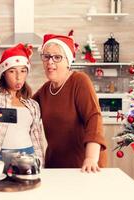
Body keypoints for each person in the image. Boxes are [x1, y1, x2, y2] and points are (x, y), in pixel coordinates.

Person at [33, 34, 107, 172]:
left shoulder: (79, 81)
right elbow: (26, 110)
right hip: (55, 165)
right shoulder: (45, 89)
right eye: (46, 56)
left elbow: (94, 118)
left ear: (68, 61)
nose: (50, 62)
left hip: (83, 165)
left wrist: (90, 157)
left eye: (57, 57)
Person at [0, 43, 45, 165]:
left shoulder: (33, 105)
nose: (18, 77)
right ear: (3, 73)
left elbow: (37, 139)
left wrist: (40, 166)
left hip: (28, 157)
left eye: (23, 71)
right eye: (12, 71)